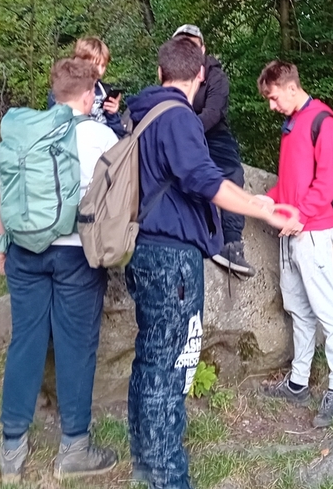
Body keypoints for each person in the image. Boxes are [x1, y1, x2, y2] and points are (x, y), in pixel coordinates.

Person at [124, 37, 299, 489]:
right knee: (172, 366)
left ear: (160, 72)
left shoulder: (140, 115)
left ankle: (145, 458)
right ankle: (168, 477)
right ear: (200, 76)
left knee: (150, 358)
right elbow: (204, 179)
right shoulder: (179, 117)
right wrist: (260, 209)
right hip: (173, 258)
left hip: (143, 249)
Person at [0, 57, 121, 483]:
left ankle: (12, 448)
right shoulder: (100, 135)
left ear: (55, 91)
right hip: (76, 255)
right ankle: (74, 450)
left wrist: (1, 247)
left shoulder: (27, 133)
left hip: (25, 252)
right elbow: (119, 196)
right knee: (75, 347)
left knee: (25, 342)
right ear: (88, 95)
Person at [256, 60, 333, 428]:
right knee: (298, 307)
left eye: (273, 97)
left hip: (312, 231)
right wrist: (269, 200)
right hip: (291, 231)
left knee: (328, 310)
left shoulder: (322, 121)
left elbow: (328, 180)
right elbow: (290, 182)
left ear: (291, 87)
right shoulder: (292, 123)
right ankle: (298, 383)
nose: (272, 105)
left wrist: (301, 214)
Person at [171, 24, 254, 277]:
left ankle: (232, 244)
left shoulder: (216, 76)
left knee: (232, 173)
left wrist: (188, 129)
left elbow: (213, 113)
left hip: (212, 133)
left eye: (193, 44)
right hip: (179, 130)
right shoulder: (171, 73)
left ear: (203, 48)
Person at [47, 36, 128, 138]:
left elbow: (118, 134)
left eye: (103, 66)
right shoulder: (62, 91)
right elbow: (56, 129)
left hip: (104, 143)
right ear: (80, 61)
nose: (100, 71)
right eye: (95, 65)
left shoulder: (104, 91)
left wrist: (112, 114)